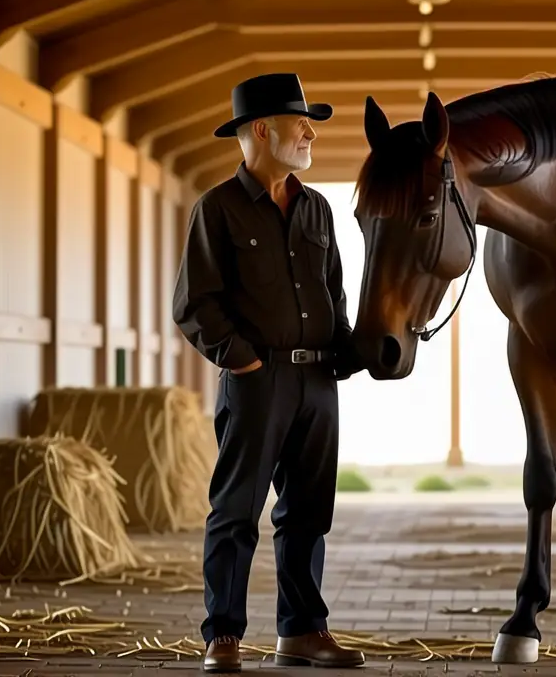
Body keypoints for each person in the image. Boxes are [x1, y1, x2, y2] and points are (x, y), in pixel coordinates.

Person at [172, 73, 366, 673]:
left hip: (319, 384)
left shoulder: (318, 209)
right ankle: (223, 636)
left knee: (309, 513)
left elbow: (334, 293)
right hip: (257, 383)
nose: (311, 133)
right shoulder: (217, 209)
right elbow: (194, 304)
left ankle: (303, 632)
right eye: (300, 122)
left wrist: (352, 350)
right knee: (236, 511)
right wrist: (243, 359)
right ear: (262, 129)